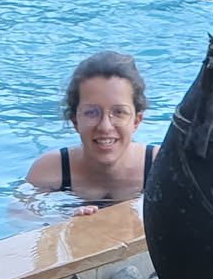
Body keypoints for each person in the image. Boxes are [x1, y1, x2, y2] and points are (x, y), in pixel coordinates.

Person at [25, 51, 158, 214]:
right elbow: (21, 219)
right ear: (75, 121)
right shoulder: (49, 172)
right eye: (91, 113)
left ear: (136, 120)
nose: (105, 127)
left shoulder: (160, 166)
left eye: (119, 112)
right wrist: (62, 219)